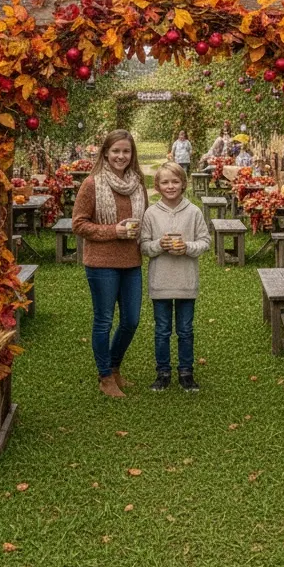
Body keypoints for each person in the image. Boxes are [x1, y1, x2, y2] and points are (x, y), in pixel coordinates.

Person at [71, 129, 148, 398]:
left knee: (131, 320)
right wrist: (114, 231)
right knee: (104, 320)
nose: (121, 156)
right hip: (101, 262)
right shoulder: (92, 184)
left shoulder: (138, 184)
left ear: (132, 154)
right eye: (115, 151)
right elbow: (79, 224)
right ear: (105, 152)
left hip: (131, 261)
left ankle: (114, 367)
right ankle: (105, 376)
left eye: (126, 151)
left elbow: (146, 218)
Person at [140, 162, 210, 392]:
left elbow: (204, 242)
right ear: (157, 186)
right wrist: (159, 245)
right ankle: (163, 371)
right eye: (165, 182)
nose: (170, 186)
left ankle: (186, 371)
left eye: (175, 181)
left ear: (183, 184)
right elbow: (144, 246)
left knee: (185, 329)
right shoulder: (151, 213)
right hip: (160, 281)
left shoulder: (193, 212)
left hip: (185, 281)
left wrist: (187, 247)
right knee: (162, 329)